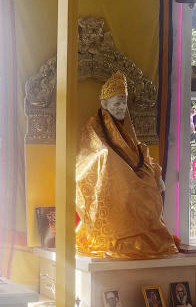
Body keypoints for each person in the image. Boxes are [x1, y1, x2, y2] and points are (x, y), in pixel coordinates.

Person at [75, 71, 178, 259]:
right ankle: (118, 238)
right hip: (110, 179)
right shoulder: (93, 126)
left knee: (147, 189)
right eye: (117, 103)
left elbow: (137, 152)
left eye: (124, 103)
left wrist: (155, 173)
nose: (122, 108)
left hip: (132, 175)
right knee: (116, 169)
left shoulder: (125, 128)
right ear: (104, 104)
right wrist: (112, 162)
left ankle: (145, 236)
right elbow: (91, 154)